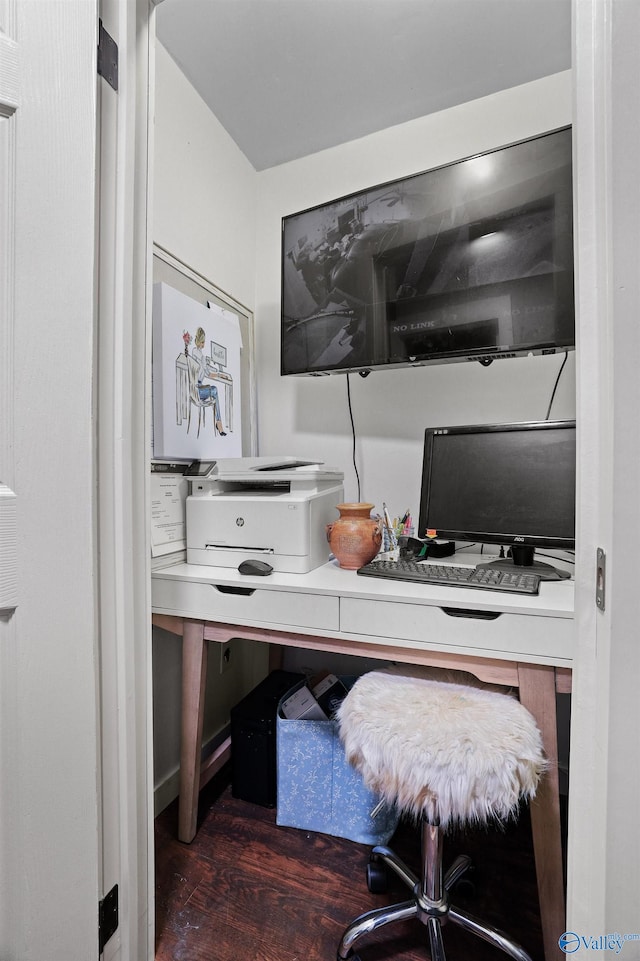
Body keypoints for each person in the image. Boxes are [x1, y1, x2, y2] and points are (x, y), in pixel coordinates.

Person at [192, 326, 226, 435]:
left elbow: (203, 370)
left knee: (213, 389)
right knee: (215, 390)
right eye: (203, 342)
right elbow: (209, 374)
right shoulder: (201, 357)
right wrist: (220, 375)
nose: (204, 344)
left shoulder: (193, 352)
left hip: (193, 389)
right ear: (199, 341)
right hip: (198, 391)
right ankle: (219, 424)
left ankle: (219, 423)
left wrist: (207, 365)